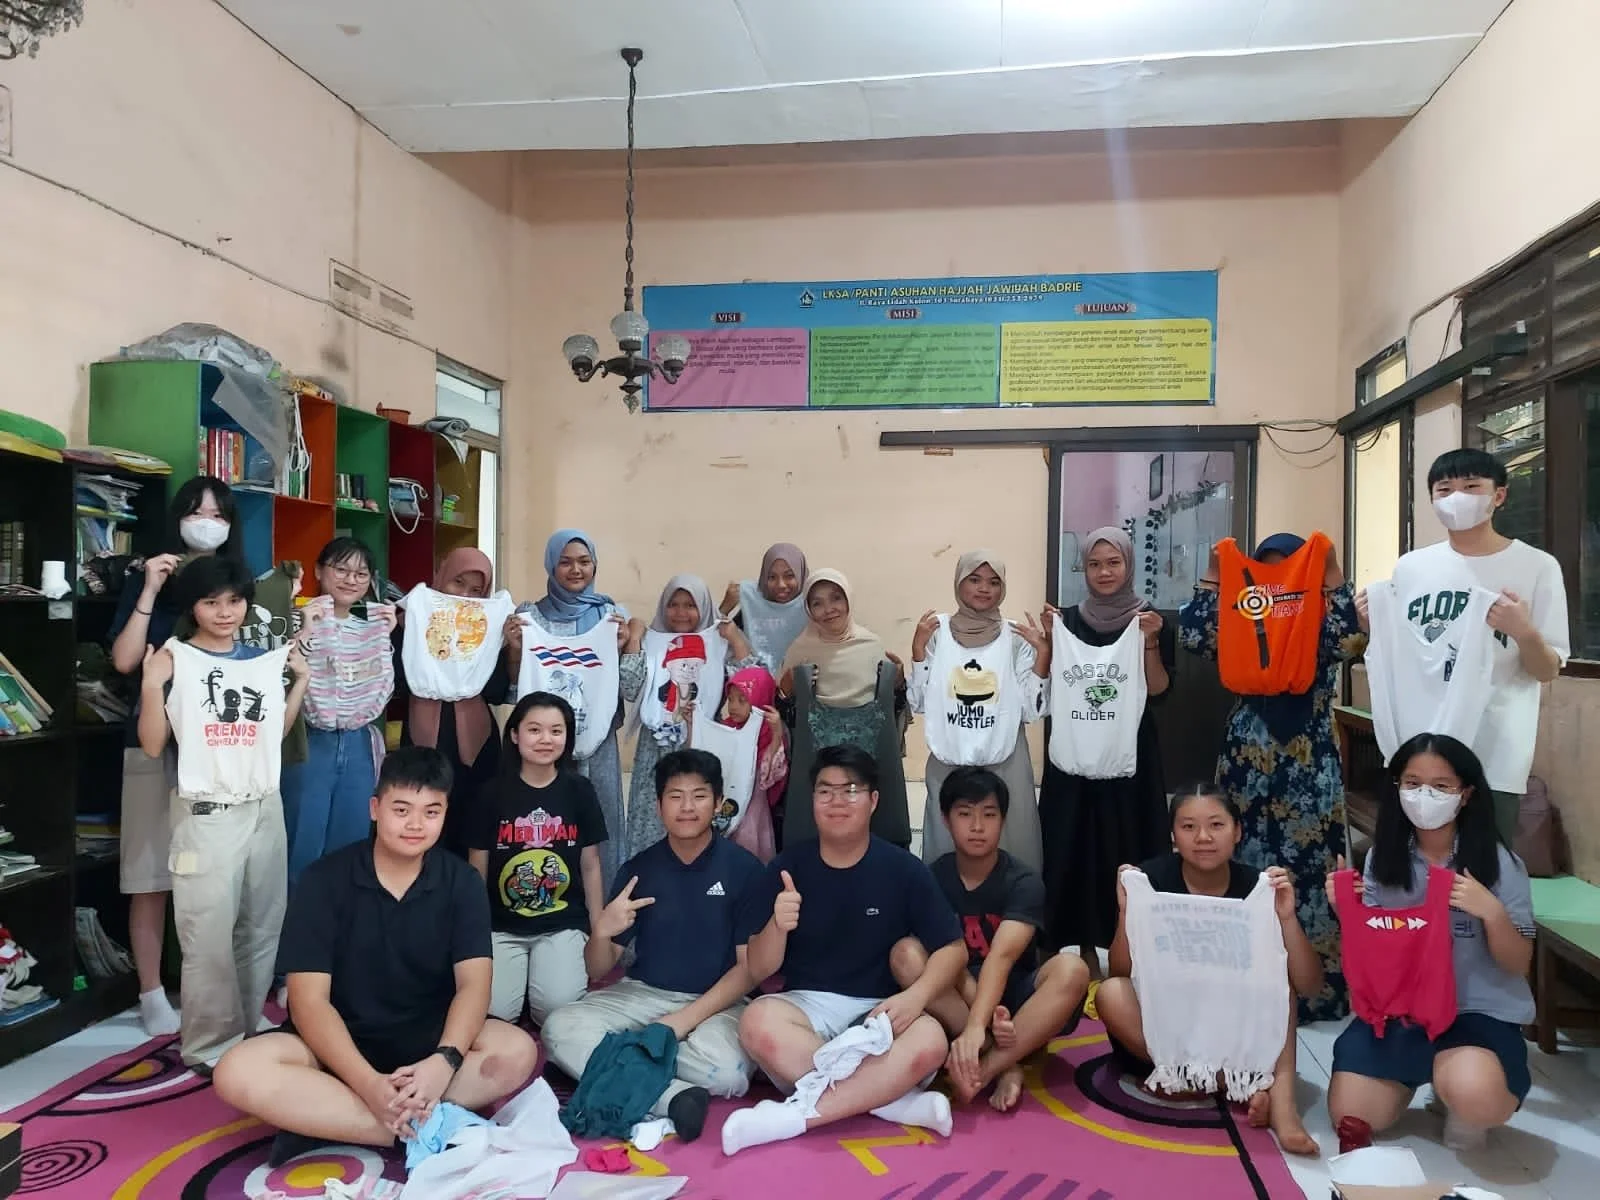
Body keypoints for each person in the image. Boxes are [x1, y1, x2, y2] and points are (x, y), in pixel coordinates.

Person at [212, 747, 539, 1167]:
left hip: (427, 1043)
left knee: (515, 1051)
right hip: (336, 1049)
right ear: (374, 808)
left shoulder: (462, 883)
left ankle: (336, 1119)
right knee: (237, 1070)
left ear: (445, 814)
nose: (415, 824)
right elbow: (308, 1001)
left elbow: (475, 985)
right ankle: (423, 1125)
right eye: (401, 809)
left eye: (431, 811)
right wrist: (367, 1083)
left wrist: (445, 1061)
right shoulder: (323, 880)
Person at [107, 475, 296, 1036]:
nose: (207, 520)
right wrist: (148, 589)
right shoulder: (152, 578)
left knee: (225, 884)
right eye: (197, 510)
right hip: (154, 741)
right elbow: (123, 661)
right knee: (150, 871)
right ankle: (150, 993)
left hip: (223, 756)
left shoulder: (245, 588)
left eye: (219, 512)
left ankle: (226, 1001)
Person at [723, 745, 965, 1157]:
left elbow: (953, 949)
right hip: (807, 1010)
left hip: (881, 1014)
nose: (837, 801)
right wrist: (777, 927)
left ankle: (793, 1118)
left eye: (850, 790)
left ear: (873, 800)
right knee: (757, 1021)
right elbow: (757, 969)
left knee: (930, 1039)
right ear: (811, 800)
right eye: (825, 791)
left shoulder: (902, 869)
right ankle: (890, 1100)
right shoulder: (786, 868)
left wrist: (916, 997)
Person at [541, 749, 768, 1143]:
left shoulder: (744, 870)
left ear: (717, 803)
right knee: (559, 1027)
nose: (687, 807)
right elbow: (597, 969)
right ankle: (673, 1096)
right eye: (675, 796)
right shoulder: (639, 869)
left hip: (719, 1001)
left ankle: (604, 1063)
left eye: (699, 796)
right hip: (642, 993)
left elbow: (748, 971)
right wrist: (601, 932)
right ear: (659, 805)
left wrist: (681, 1021)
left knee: (728, 1073)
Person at [1178, 532, 1361, 1023]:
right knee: (1244, 861)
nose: (1279, 578)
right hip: (1248, 758)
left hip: (1309, 758)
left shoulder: (1318, 613)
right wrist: (1217, 573)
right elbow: (1195, 636)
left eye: (1289, 567)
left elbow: (1349, 638)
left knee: (1315, 869)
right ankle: (1245, 979)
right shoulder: (1244, 609)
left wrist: (1331, 570)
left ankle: (1314, 990)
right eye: (1268, 567)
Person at [136, 555, 309, 1069]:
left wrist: (297, 682)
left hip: (263, 805)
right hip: (207, 813)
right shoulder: (175, 658)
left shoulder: (262, 658)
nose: (225, 612)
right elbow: (151, 746)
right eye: (211, 602)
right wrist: (149, 686)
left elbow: (269, 734)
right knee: (207, 937)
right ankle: (209, 1047)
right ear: (193, 607)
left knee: (261, 926)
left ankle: (247, 1026)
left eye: (234, 601)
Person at [1327, 733, 1535, 1154]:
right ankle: (1420, 1072)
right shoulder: (1383, 859)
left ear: (1466, 794)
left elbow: (1519, 963)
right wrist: (1346, 909)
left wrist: (1491, 913)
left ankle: (1455, 1093)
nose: (1425, 796)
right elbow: (1374, 953)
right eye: (1412, 783)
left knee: (1474, 1093)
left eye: (1441, 786)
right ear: (1397, 788)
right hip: (1402, 1010)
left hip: (1474, 1013)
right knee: (1351, 1115)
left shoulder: (1501, 864)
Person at [1095, 784, 1323, 1156]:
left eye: (1216, 825)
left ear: (1237, 832)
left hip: (1233, 1028)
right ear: (1173, 836)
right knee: (1109, 993)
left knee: (1280, 984)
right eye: (1188, 827)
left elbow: (1309, 984)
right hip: (1165, 1028)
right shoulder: (1151, 881)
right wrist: (1126, 912)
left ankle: (1283, 1107)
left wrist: (1287, 918)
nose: (1203, 838)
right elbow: (1120, 971)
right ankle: (1236, 1085)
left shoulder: (1258, 888)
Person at [1358, 449, 1569, 845]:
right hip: (1420, 752)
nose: (1457, 497)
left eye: (1472, 487)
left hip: (1495, 752)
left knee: (1484, 868)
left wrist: (1522, 631)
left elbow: (1547, 670)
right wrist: (1374, 623)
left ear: (1499, 496)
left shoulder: (1538, 567)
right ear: (1433, 500)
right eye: (1445, 489)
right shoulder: (1412, 567)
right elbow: (1404, 652)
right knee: (1410, 867)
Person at [892, 766, 1090, 1113]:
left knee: (1072, 969)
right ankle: (1006, 1061)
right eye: (965, 814)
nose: (978, 827)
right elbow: (943, 960)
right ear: (945, 818)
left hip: (1016, 1003)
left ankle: (984, 1069)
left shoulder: (1023, 880)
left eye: (989, 814)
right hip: (956, 1001)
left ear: (1003, 819)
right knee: (906, 954)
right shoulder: (932, 878)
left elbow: (1002, 957)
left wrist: (975, 1027)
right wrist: (973, 1025)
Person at [1039, 528, 1171, 972]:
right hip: (1074, 753)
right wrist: (1045, 642)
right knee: (1070, 848)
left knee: (1126, 848)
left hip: (1129, 756)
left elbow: (1158, 689)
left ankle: (1127, 951)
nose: (1104, 572)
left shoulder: (1147, 618)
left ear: (1129, 565)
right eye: (1095, 564)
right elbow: (1049, 683)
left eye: (1113, 562)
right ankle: (1080, 953)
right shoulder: (1069, 620)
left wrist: (1151, 640)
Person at [508, 530, 645, 892]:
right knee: (548, 822)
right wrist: (516, 648)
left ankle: (606, 912)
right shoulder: (529, 617)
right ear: (551, 565)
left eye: (584, 562)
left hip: (597, 740)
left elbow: (627, 686)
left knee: (603, 825)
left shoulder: (612, 617)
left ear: (595, 565)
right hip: (543, 746)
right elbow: (512, 688)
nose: (575, 570)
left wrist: (626, 643)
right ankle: (549, 898)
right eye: (565, 561)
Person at [467, 692, 606, 1025]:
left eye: (556, 731)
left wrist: (598, 928)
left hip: (561, 925)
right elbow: (477, 870)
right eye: (535, 730)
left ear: (567, 738)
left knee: (557, 1012)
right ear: (515, 735)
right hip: (502, 926)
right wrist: (474, 932)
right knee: (496, 1013)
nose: (546, 739)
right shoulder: (489, 794)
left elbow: (591, 865)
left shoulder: (580, 790)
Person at [909, 552, 1049, 874]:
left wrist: (1042, 655)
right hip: (949, 760)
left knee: (1013, 844)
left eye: (994, 582)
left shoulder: (1015, 637)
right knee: (947, 845)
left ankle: (1016, 918)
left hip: (1006, 761)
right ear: (959, 583)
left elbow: (1031, 709)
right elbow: (918, 702)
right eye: (974, 579)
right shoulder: (937, 632)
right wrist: (918, 651)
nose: (984, 588)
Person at [281, 537, 396, 888]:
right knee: (302, 844)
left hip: (359, 741)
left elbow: (385, 685)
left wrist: (386, 636)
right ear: (319, 570)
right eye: (341, 569)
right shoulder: (296, 613)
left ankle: (341, 935)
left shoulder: (375, 624)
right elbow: (285, 673)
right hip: (310, 740)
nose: (351, 579)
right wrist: (304, 629)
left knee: (352, 845)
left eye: (361, 573)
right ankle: (294, 933)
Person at [625, 574, 758, 860]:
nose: (681, 613)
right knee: (651, 822)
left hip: (703, 745)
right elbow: (629, 685)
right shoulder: (651, 640)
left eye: (690, 605)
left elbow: (750, 679)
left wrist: (734, 638)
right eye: (673, 604)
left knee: (698, 818)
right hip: (655, 750)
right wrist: (635, 638)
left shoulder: (717, 640)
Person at [779, 570, 910, 848]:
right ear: (809, 610)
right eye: (817, 603)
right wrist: (788, 687)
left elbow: (891, 708)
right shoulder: (800, 649)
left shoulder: (872, 645)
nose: (828, 609)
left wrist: (897, 682)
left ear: (849, 600)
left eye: (836, 598)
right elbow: (784, 710)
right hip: (816, 761)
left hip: (869, 756)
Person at [396, 547, 510, 856]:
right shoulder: (411, 620)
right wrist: (406, 630)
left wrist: (507, 645)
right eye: (458, 583)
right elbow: (396, 685)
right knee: (421, 815)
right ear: (442, 576)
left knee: (474, 822)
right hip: (423, 737)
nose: (466, 595)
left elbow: (498, 693)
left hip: (477, 741)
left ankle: (469, 896)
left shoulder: (486, 627)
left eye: (476, 590)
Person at [713, 667, 787, 861]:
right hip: (726, 800)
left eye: (742, 700)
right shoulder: (727, 728)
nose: (734, 706)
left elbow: (769, 774)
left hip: (753, 806)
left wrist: (777, 734)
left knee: (749, 850)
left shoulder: (768, 732)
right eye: (730, 699)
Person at [720, 542, 810, 674]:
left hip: (800, 686)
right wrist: (724, 608)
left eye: (789, 576)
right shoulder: (753, 606)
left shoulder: (812, 605)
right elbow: (713, 636)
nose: (781, 585)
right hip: (756, 686)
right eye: (772, 577)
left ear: (800, 574)